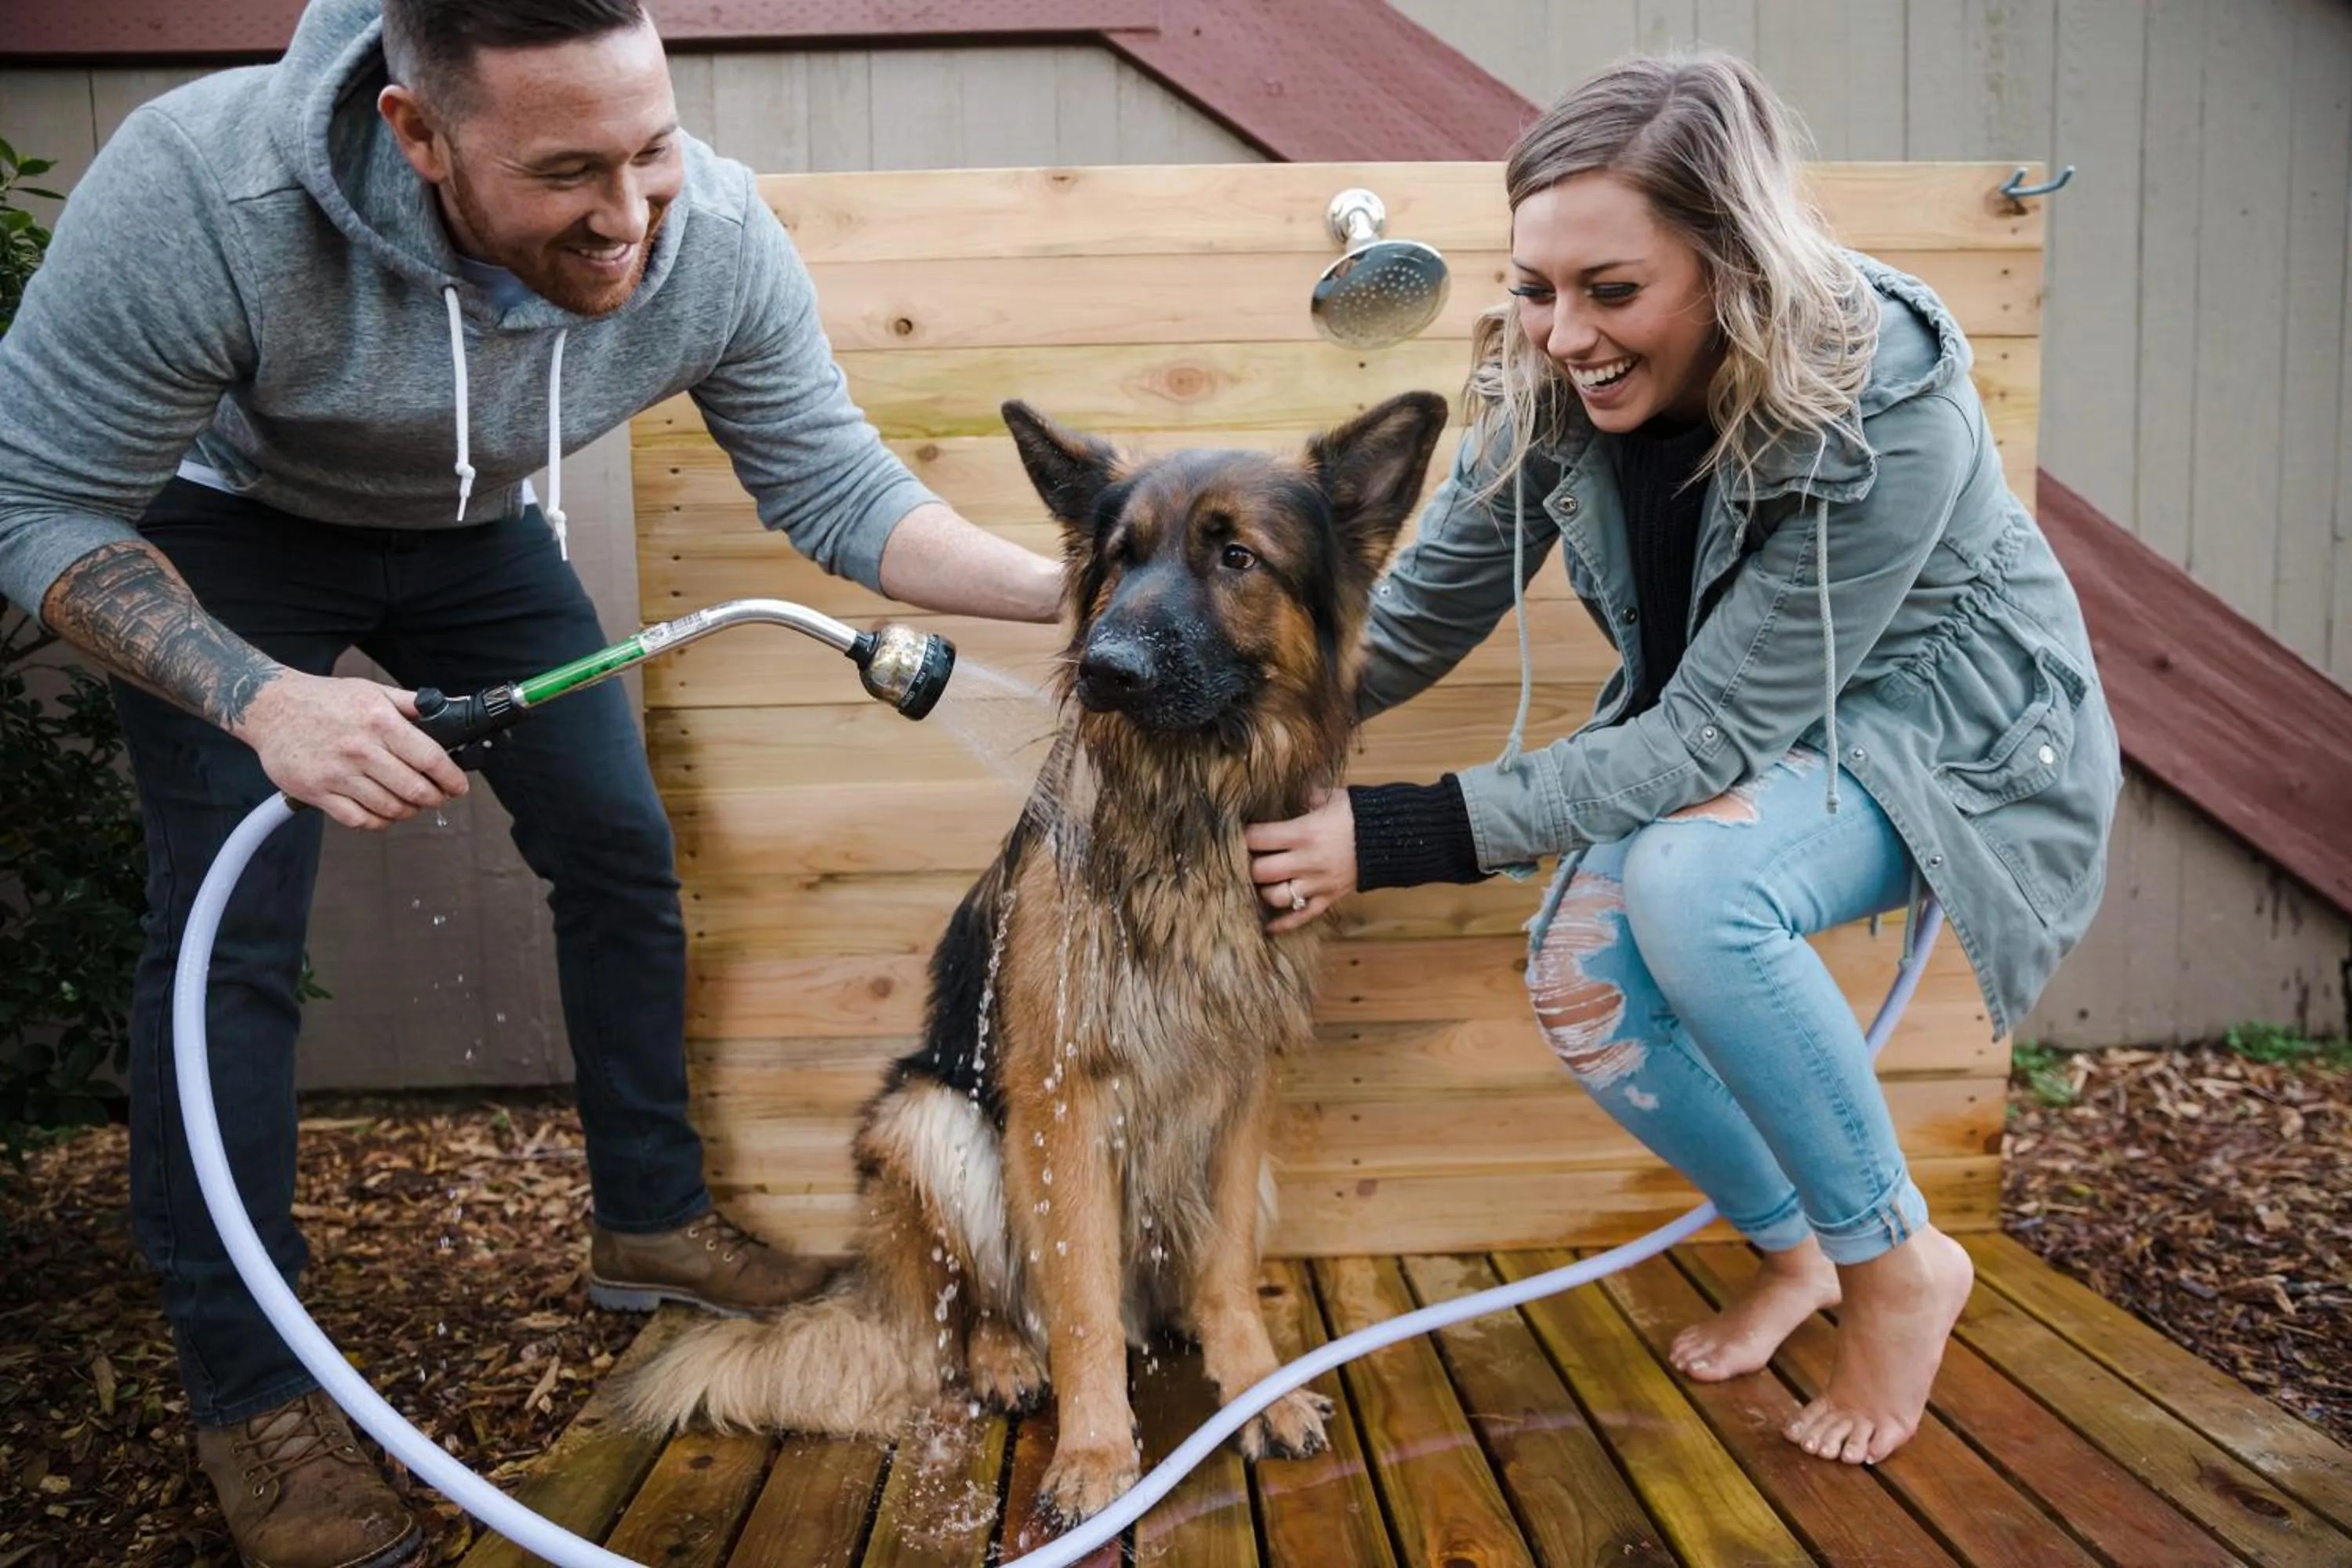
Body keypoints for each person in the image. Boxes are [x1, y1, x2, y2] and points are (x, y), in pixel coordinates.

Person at [0, 0, 1061, 1561]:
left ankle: (649, 1222)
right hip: (223, 533)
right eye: (568, 173)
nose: (628, 216)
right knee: (232, 936)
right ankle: (252, 1392)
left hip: (471, 535)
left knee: (616, 844)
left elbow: (835, 484)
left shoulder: (709, 233)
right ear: (416, 133)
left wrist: (1084, 586)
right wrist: (259, 697)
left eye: (652, 151)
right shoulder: (205, 194)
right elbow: (35, 508)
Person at [1245, 51, 2120, 1468]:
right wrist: (1238, 724)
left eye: (1612, 290)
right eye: (1535, 288)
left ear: (1736, 268)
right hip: (1735, 716)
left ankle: (1896, 1260)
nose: (1564, 334)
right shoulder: (1549, 372)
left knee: (1696, 890)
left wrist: (1388, 835)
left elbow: (1708, 737)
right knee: (1582, 980)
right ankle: (1800, 1248)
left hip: (1945, 738)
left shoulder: (1886, 404)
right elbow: (1417, 614)